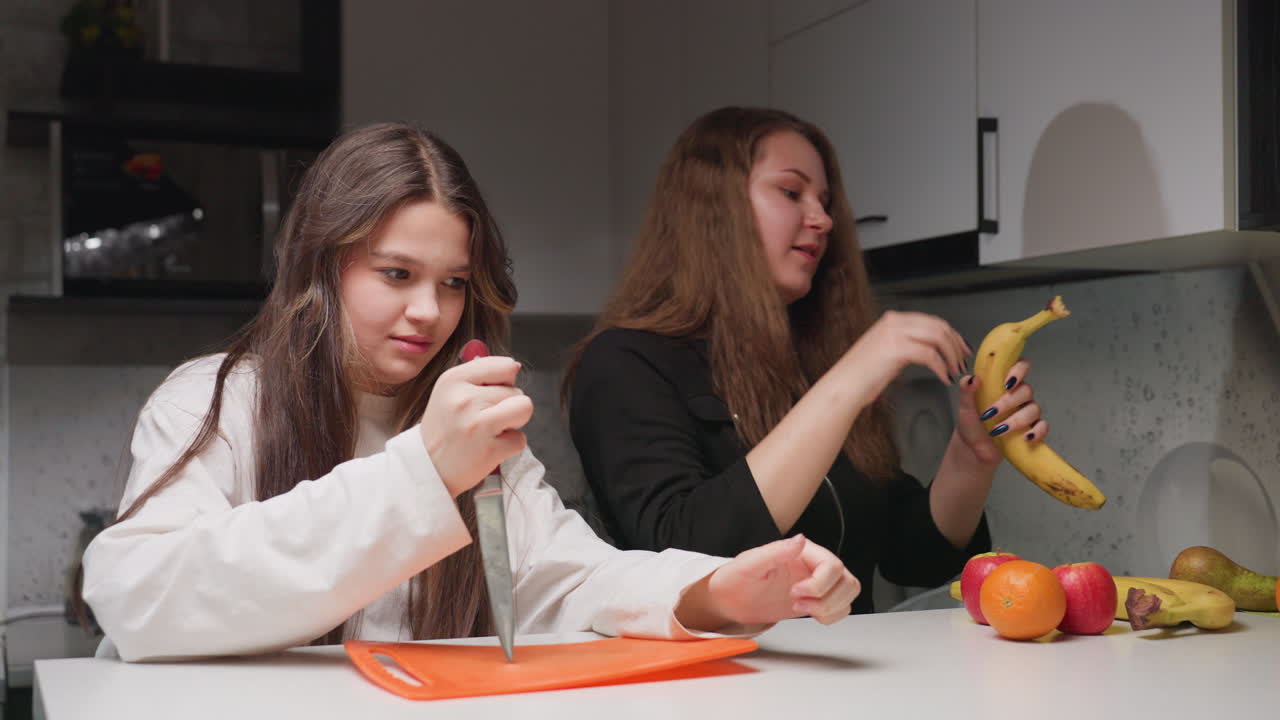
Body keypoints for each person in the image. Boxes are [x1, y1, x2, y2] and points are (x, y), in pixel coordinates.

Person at [80, 122, 859, 663]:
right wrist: (425, 469)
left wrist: (713, 591)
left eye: (453, 283)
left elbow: (571, 575)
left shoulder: (466, 420)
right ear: (321, 266)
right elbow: (140, 598)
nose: (431, 311)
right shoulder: (213, 402)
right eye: (396, 275)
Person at [564, 107, 1052, 613]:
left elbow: (912, 557)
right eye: (792, 193)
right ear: (713, 210)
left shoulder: (810, 358)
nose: (822, 219)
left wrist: (970, 457)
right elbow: (683, 551)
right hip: (711, 684)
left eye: (825, 200)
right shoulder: (625, 362)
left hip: (838, 680)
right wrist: (848, 382)